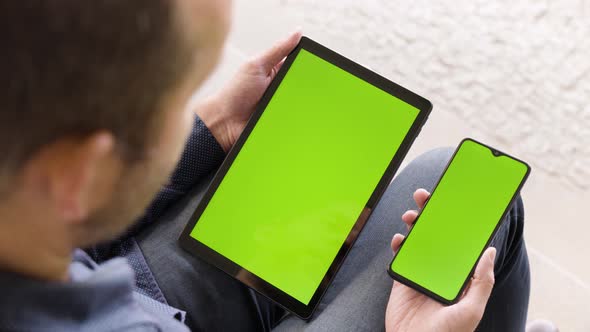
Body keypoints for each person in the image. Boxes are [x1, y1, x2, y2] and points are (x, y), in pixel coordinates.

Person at [0, 0, 553, 331]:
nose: (192, 109)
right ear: (82, 177)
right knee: (474, 202)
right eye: (178, 99)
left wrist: (213, 127)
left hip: (110, 280)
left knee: (444, 175)